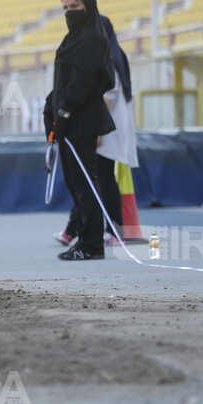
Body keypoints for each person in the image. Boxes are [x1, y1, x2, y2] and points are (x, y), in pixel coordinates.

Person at [43, 0, 116, 261]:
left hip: (81, 121)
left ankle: (92, 245)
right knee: (76, 183)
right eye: (64, 8)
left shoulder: (89, 38)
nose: (68, 12)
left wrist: (65, 110)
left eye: (73, 7)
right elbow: (65, 79)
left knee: (85, 183)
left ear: (87, 6)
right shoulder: (74, 37)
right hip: (69, 120)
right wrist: (52, 104)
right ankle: (84, 239)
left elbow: (84, 81)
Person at [54, 15, 139, 248]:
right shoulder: (110, 52)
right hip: (104, 126)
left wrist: (97, 131)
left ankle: (113, 230)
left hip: (104, 128)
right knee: (90, 178)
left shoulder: (108, 56)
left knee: (100, 178)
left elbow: (107, 98)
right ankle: (73, 230)